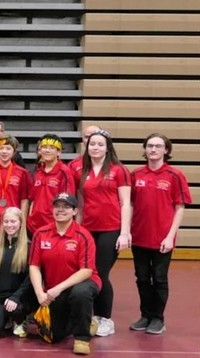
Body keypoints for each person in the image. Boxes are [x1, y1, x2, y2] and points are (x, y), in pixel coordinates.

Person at [129, 133, 191, 334]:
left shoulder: (175, 175)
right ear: (145, 149)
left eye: (158, 146)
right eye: (149, 146)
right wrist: (127, 231)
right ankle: (145, 315)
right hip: (139, 236)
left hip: (163, 239)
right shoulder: (136, 174)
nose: (153, 149)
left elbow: (180, 207)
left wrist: (170, 236)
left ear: (166, 150)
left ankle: (158, 318)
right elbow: (129, 204)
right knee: (142, 277)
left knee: (160, 277)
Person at [71, 129, 130, 337]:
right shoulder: (81, 171)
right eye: (92, 144)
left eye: (100, 144)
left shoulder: (118, 170)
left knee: (101, 273)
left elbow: (125, 204)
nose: (95, 147)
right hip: (87, 229)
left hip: (111, 229)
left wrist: (125, 233)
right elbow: (80, 203)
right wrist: (76, 229)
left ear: (107, 148)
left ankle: (106, 318)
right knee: (87, 273)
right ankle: (91, 315)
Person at [29, 193, 101, 355]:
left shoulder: (83, 235)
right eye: (57, 206)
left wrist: (58, 288)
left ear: (75, 211)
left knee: (80, 293)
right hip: (54, 290)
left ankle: (82, 338)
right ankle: (86, 322)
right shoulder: (40, 234)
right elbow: (34, 266)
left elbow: (86, 271)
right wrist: (40, 293)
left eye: (66, 207)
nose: (60, 210)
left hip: (83, 283)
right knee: (53, 336)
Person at [0, 207, 34, 338]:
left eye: (13, 221)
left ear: (21, 223)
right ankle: (6, 319)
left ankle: (20, 319)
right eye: (6, 222)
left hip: (20, 299)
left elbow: (30, 278)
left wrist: (16, 297)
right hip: (1, 299)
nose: (9, 225)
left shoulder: (29, 247)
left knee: (14, 309)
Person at [28, 134, 75, 236]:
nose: (47, 150)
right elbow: (32, 199)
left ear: (59, 152)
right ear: (40, 151)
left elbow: (67, 201)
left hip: (53, 225)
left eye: (52, 148)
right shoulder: (37, 172)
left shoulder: (64, 172)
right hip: (33, 225)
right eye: (44, 147)